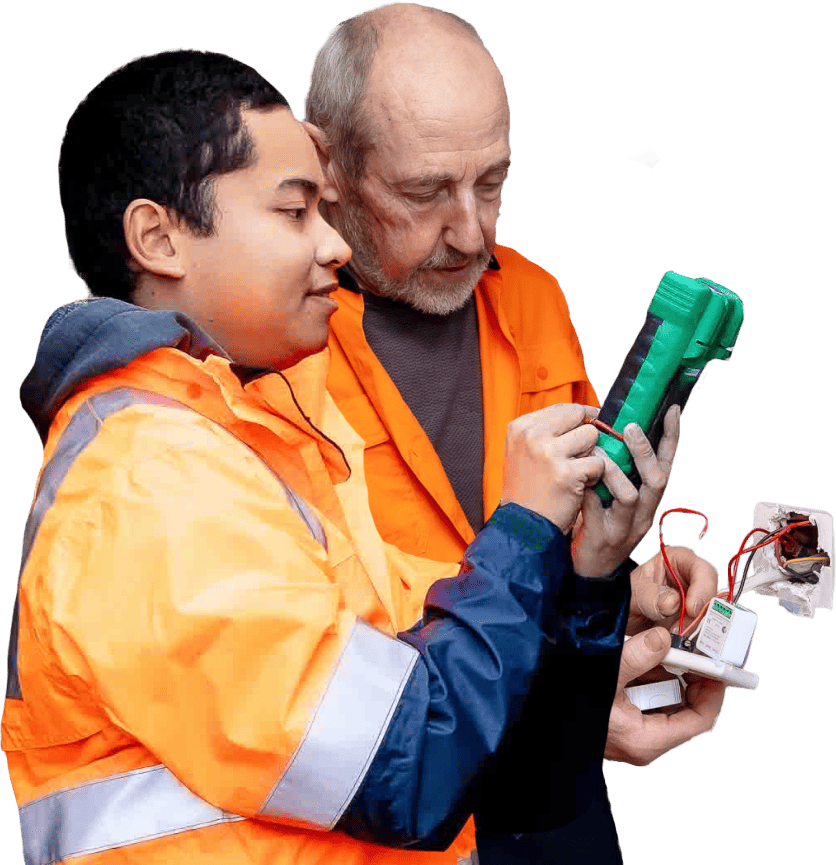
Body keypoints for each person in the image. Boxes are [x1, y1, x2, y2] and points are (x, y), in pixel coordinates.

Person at [2, 48, 669, 865]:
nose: (334, 246)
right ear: (157, 237)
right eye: (293, 212)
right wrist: (524, 526)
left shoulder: (241, 445)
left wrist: (594, 578)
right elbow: (408, 764)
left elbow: (435, 650)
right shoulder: (150, 486)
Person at [304, 4, 726, 858]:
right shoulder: (268, 349)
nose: (472, 230)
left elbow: (544, 560)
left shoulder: (532, 297)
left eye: (492, 181)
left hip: (545, 817)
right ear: (327, 165)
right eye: (425, 192)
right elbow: (296, 673)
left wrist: (616, 583)